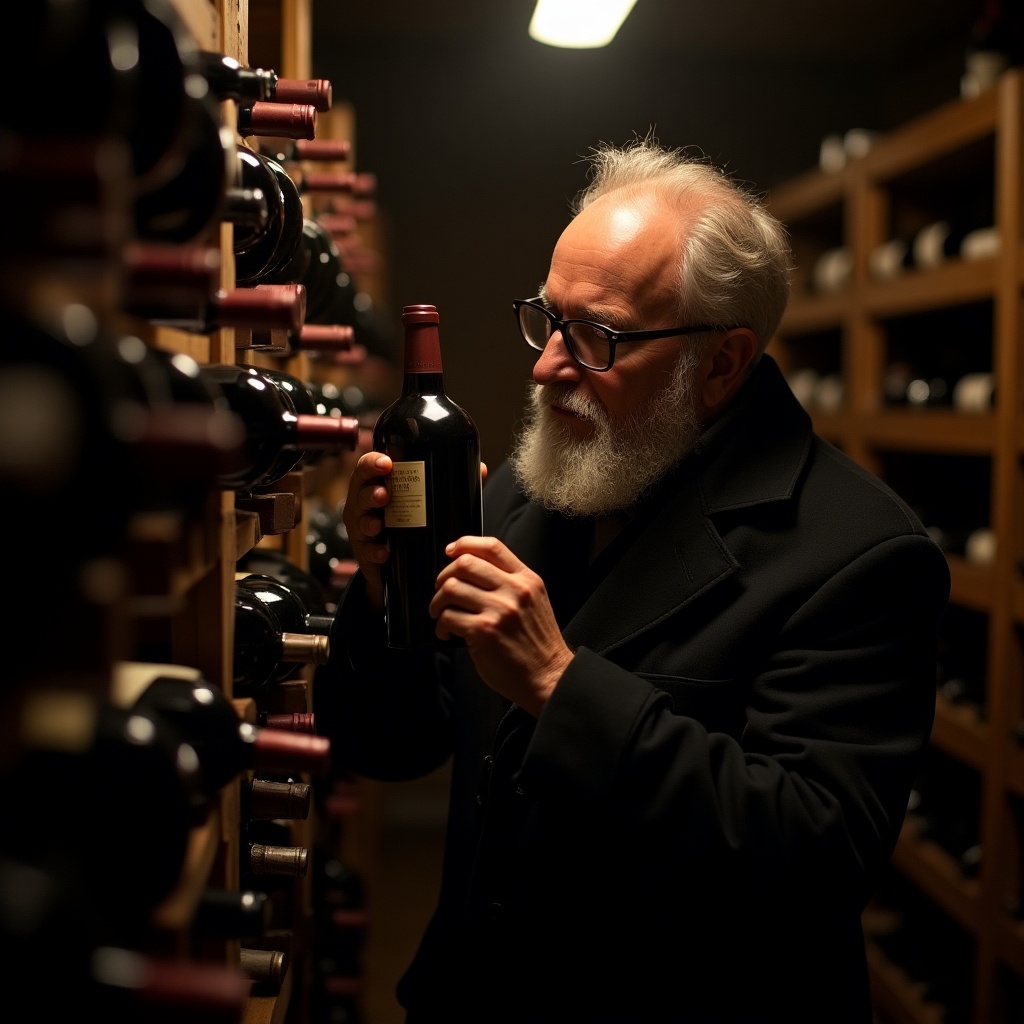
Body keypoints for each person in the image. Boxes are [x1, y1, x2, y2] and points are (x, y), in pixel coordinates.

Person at [315, 137, 951, 1024]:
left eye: (597, 338)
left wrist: (559, 684)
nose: (545, 367)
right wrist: (382, 592)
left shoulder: (861, 554)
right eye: (547, 317)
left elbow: (811, 861)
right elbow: (392, 744)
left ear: (722, 362)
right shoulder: (548, 487)